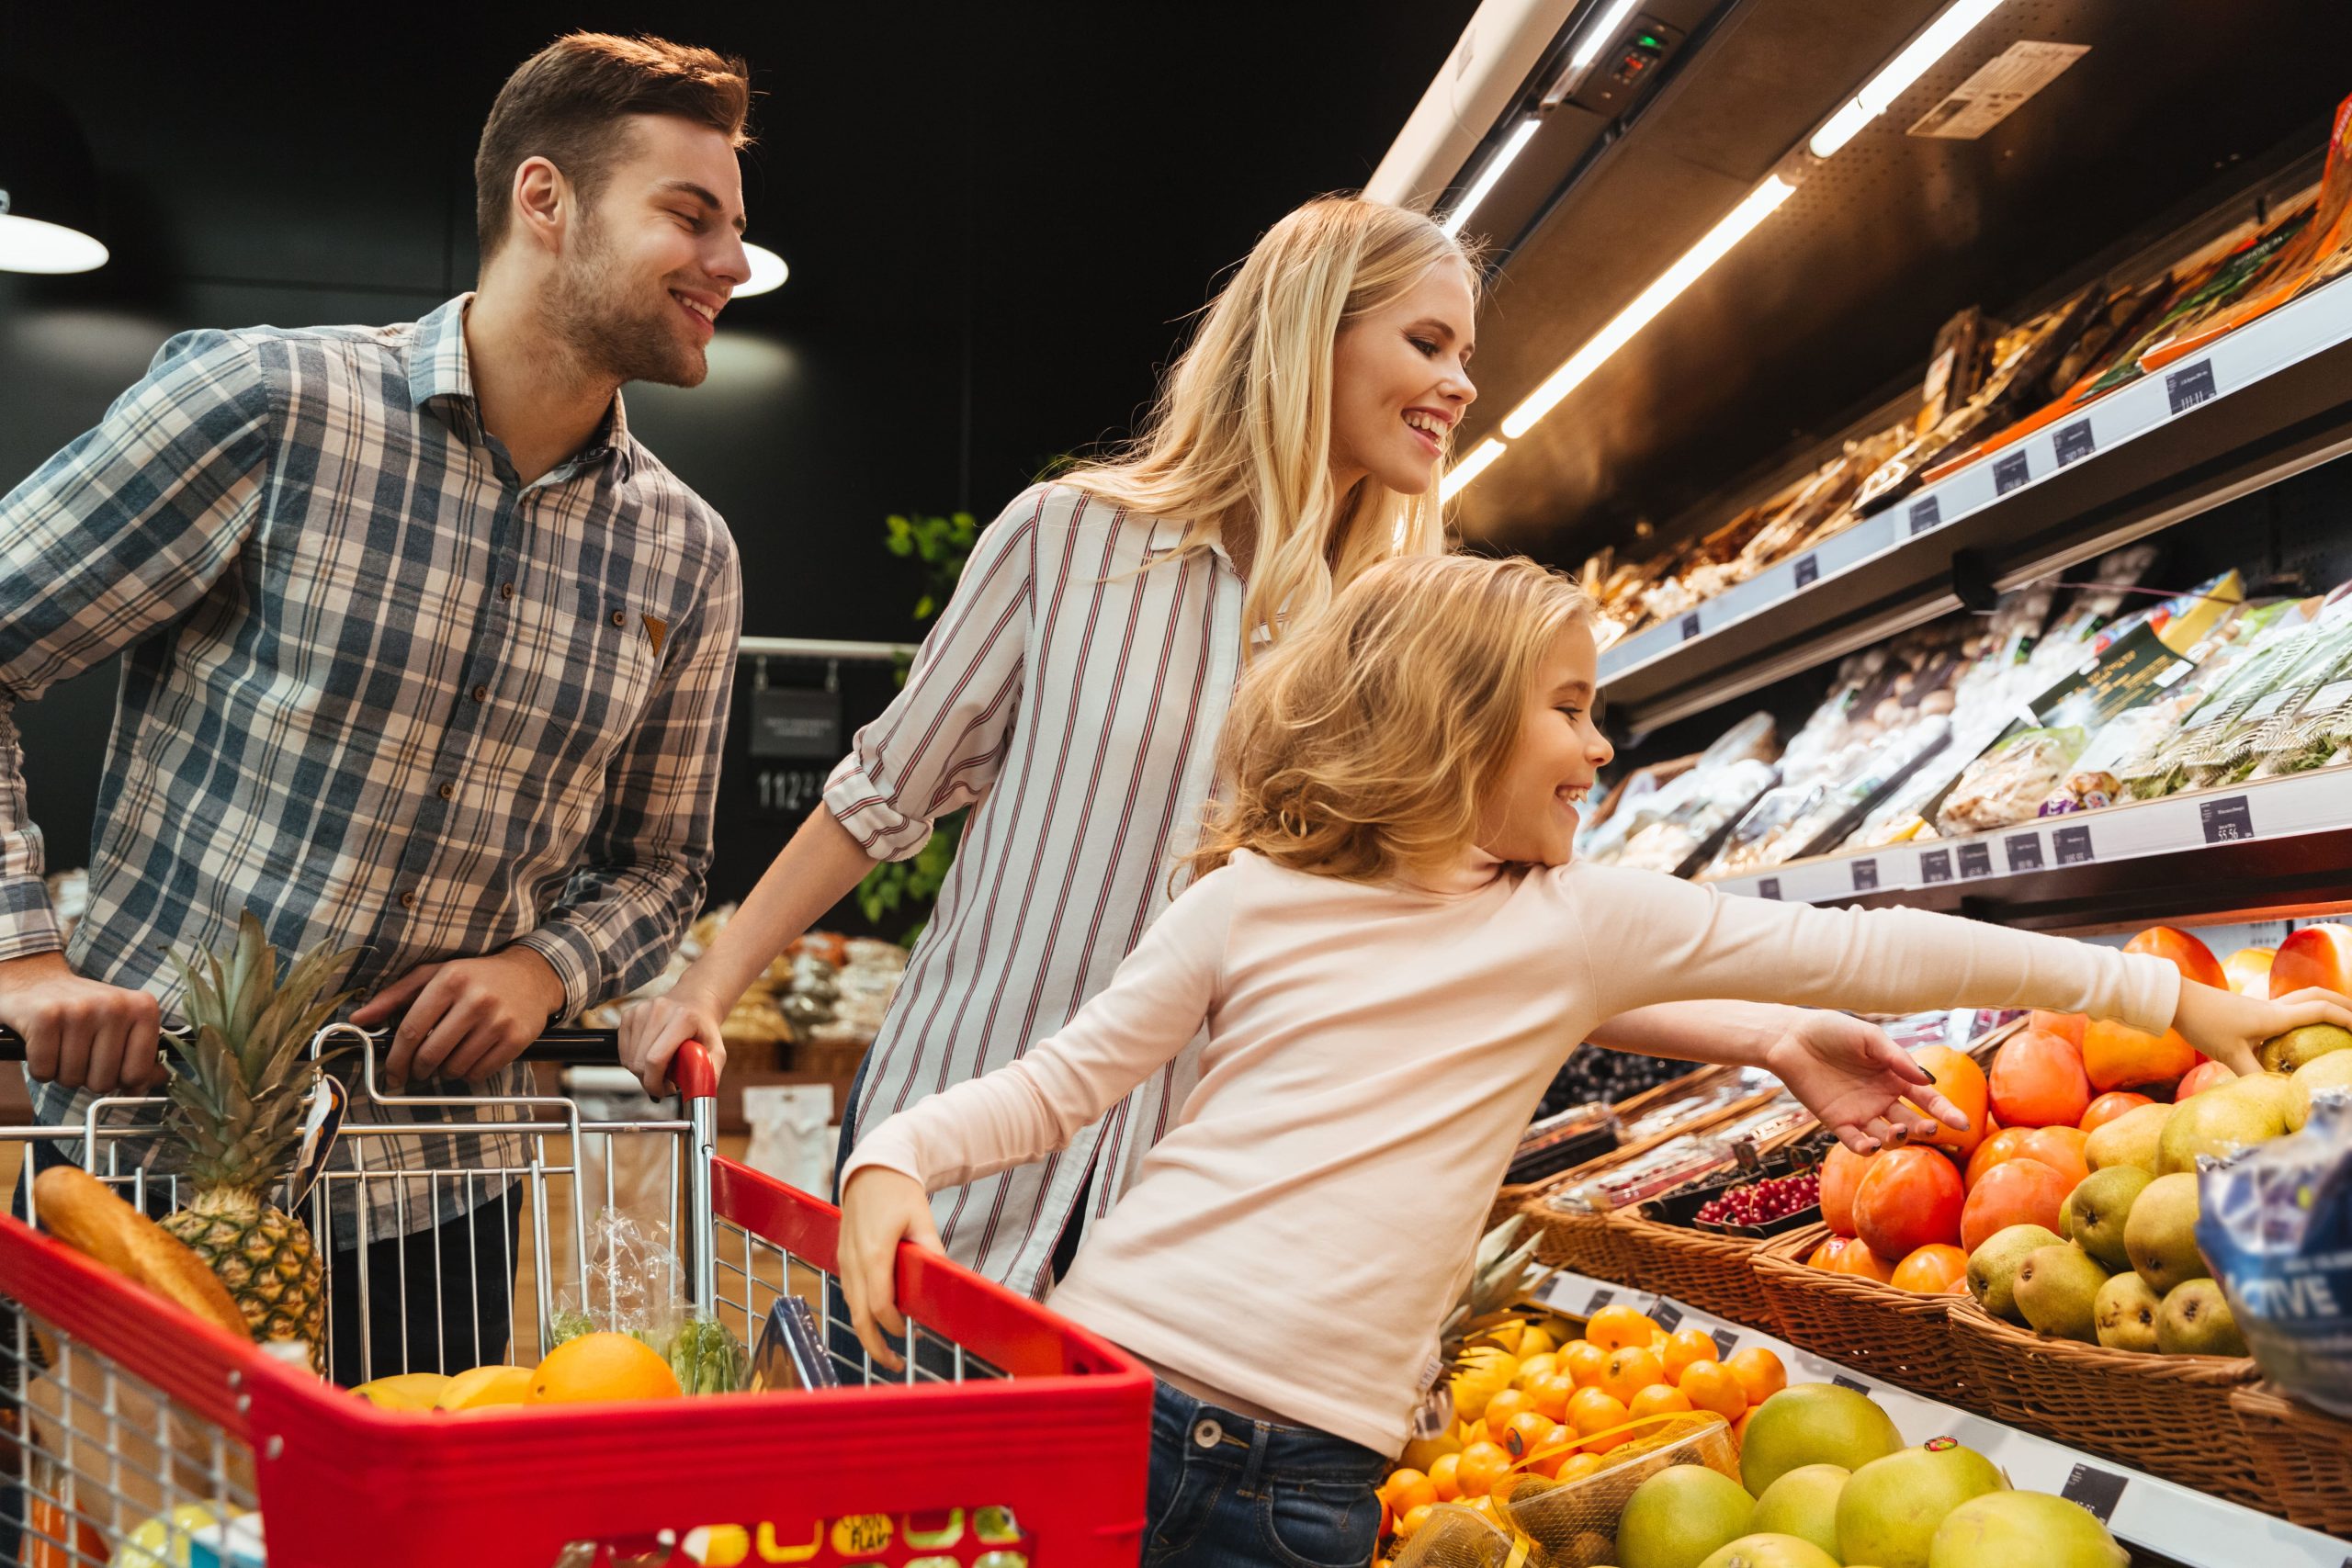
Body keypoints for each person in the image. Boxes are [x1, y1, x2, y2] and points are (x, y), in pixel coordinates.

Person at [835, 552, 2352, 1566]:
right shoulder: (1247, 900)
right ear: (1449, 728)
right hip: (1106, 1393)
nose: (1601, 748)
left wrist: (2173, 1002)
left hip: (1301, 1477)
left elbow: (1873, 953)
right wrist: (902, 1153)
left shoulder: (1569, 924)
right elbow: (1066, 1081)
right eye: (1568, 710)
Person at [620, 195, 1892, 1302]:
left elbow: (1505, 926)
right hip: (954, 1150)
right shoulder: (1066, 540)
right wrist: (709, 987)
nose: (1461, 384)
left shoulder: (1391, 639)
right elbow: (882, 796)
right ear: (1309, 336)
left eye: (1466, 354)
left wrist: (1771, 1036)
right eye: (1428, 343)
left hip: (1184, 1222)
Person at [0, 32, 750, 1383]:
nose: (730, 262)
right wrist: (20, 958)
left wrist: (545, 969)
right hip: (148, 1162)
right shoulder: (272, 405)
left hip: (440, 1197)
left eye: (734, 227)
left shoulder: (687, 556)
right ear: (545, 198)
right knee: (113, 1500)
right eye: (691, 216)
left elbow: (663, 866)